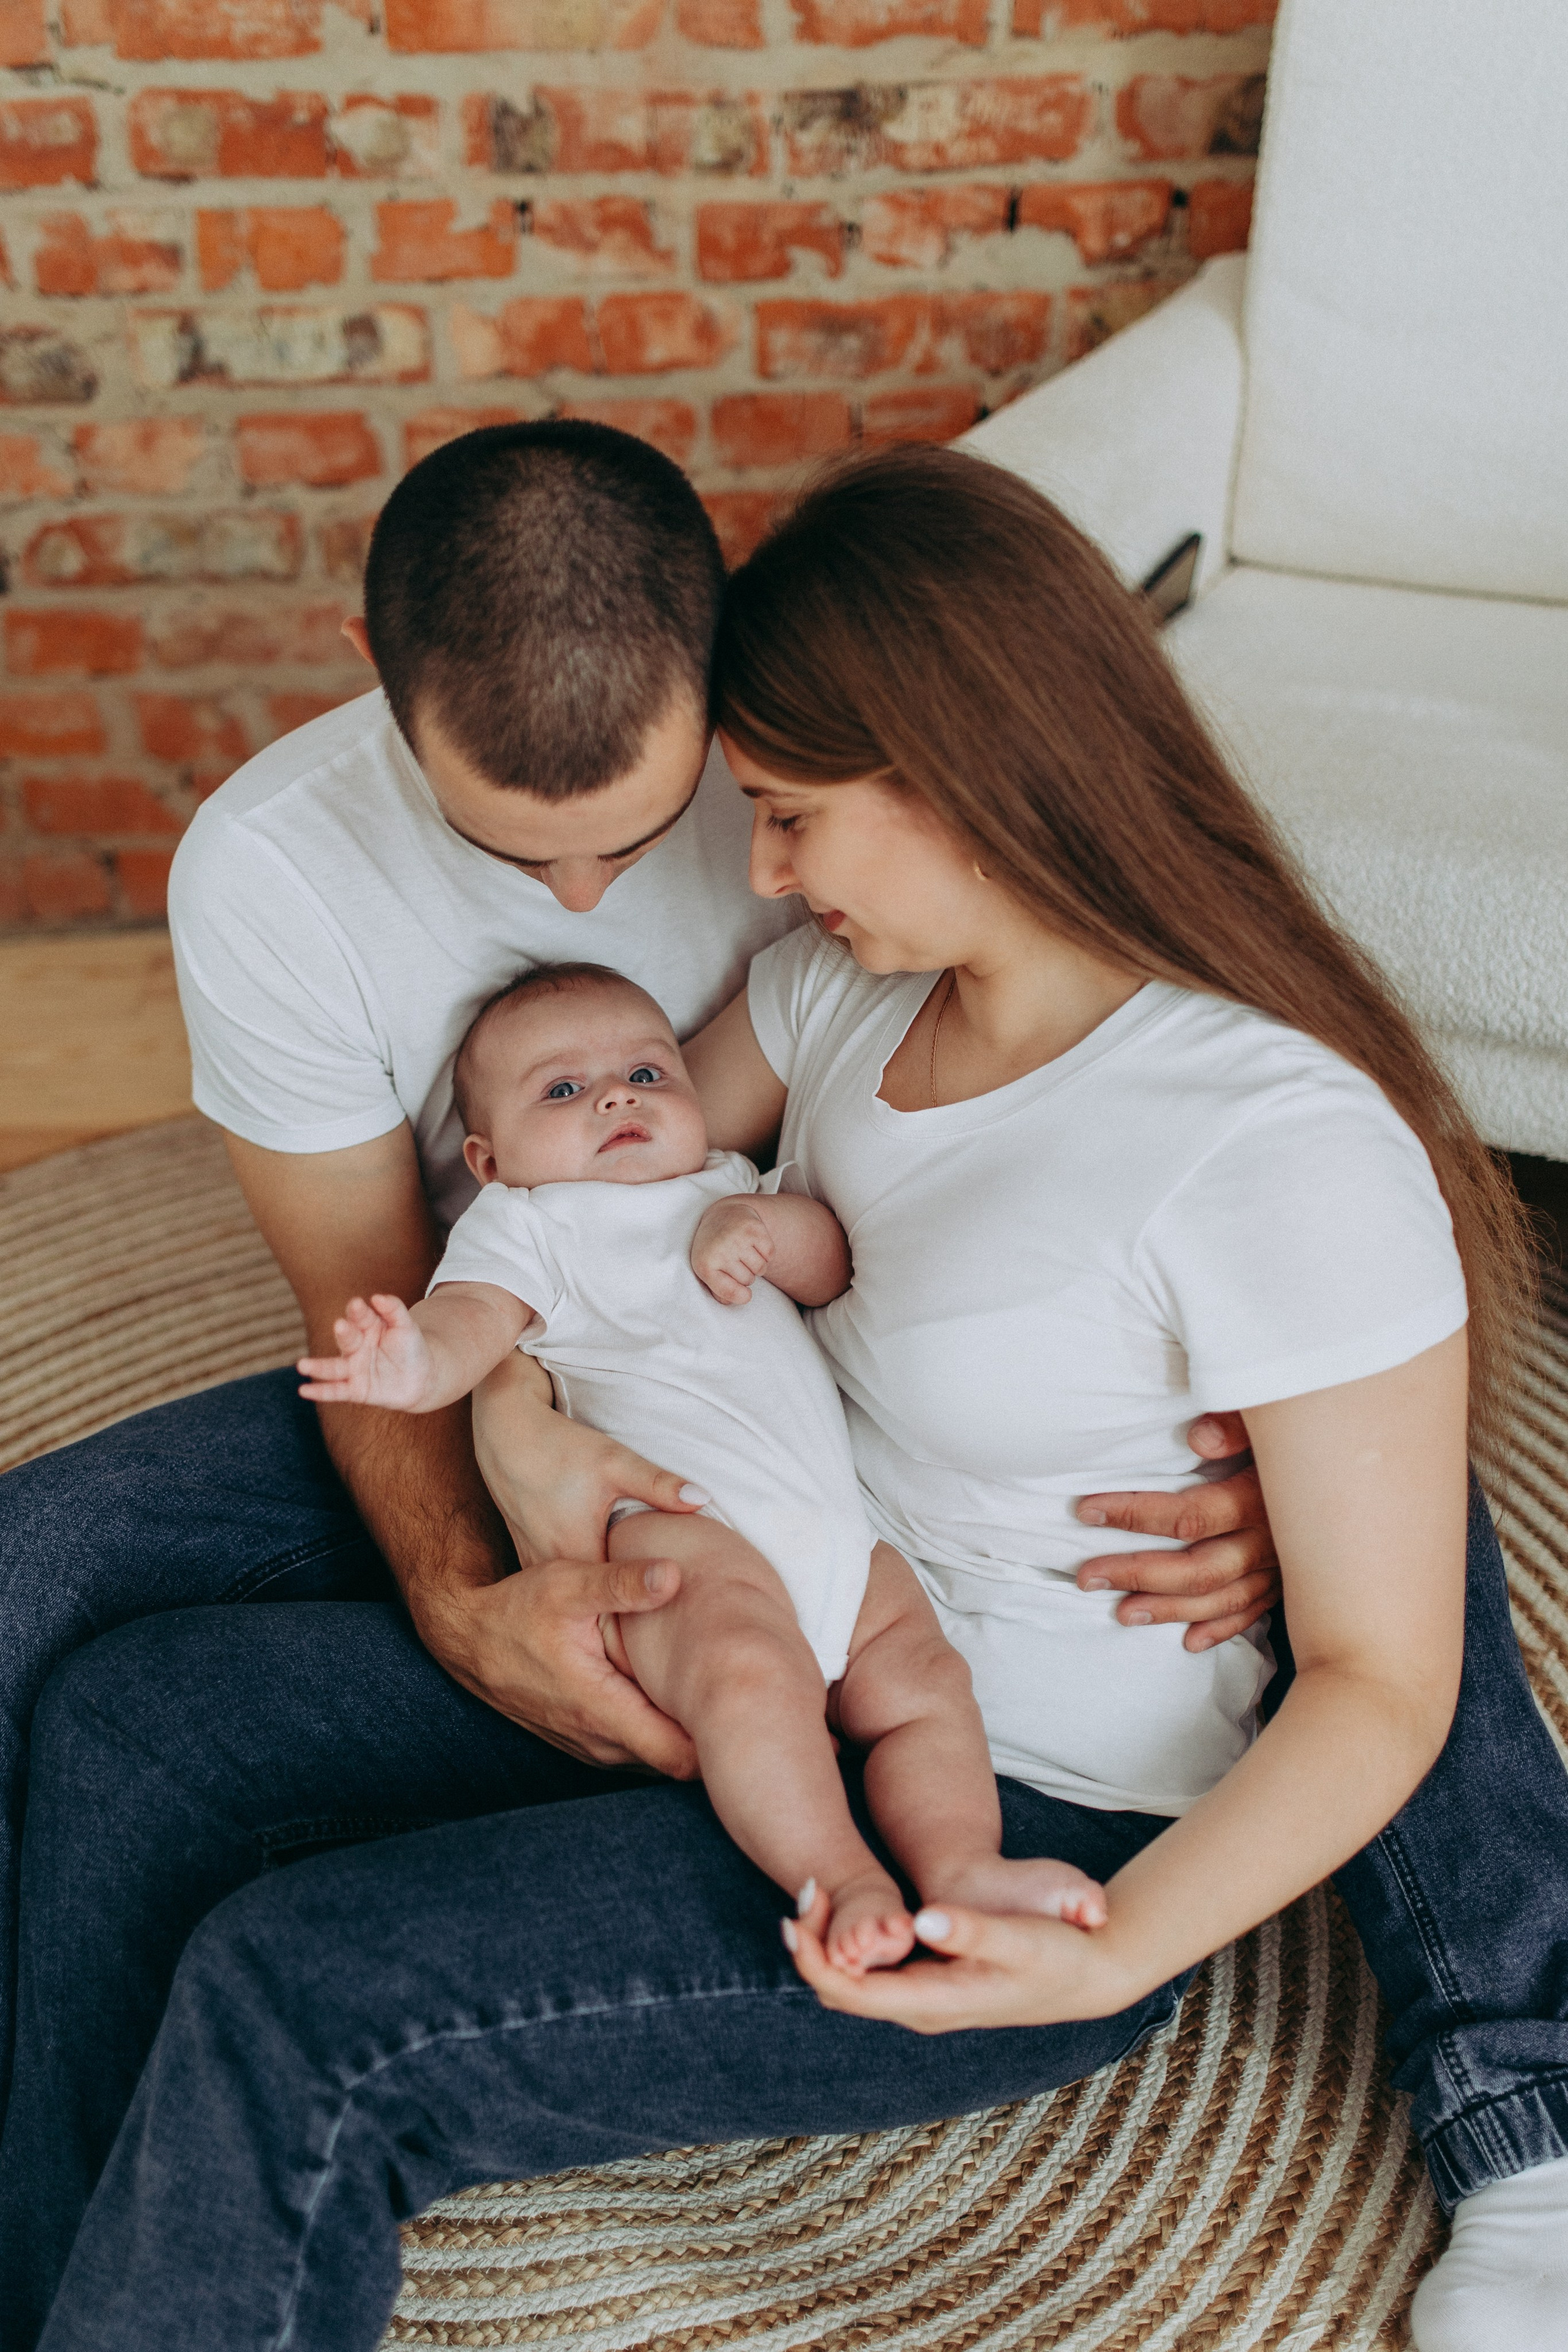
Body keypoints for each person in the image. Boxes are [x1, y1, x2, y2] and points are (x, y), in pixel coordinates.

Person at [0, 423, 1275, 2345]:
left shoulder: (826, 790)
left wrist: (1269, 1441)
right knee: (45, 1586)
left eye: (655, 825)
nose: (597, 893)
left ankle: (1512, 2087)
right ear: (393, 712)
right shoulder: (277, 865)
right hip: (520, 1364)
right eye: (518, 848)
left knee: (1376, 1524)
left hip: (802, 1414)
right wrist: (476, 1588)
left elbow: (1183, 1122)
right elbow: (382, 1319)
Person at [300, 959, 1106, 1967]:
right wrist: (411, 1360)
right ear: (490, 1158)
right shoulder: (526, 1226)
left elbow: (832, 1264)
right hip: (682, 1532)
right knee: (746, 1677)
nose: (613, 1097)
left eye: (648, 1074)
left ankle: (961, 1867)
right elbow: (470, 1324)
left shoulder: (724, 1182)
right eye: (562, 1090)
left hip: (839, 1538)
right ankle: (840, 1878)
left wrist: (765, 1229)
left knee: (924, 1679)